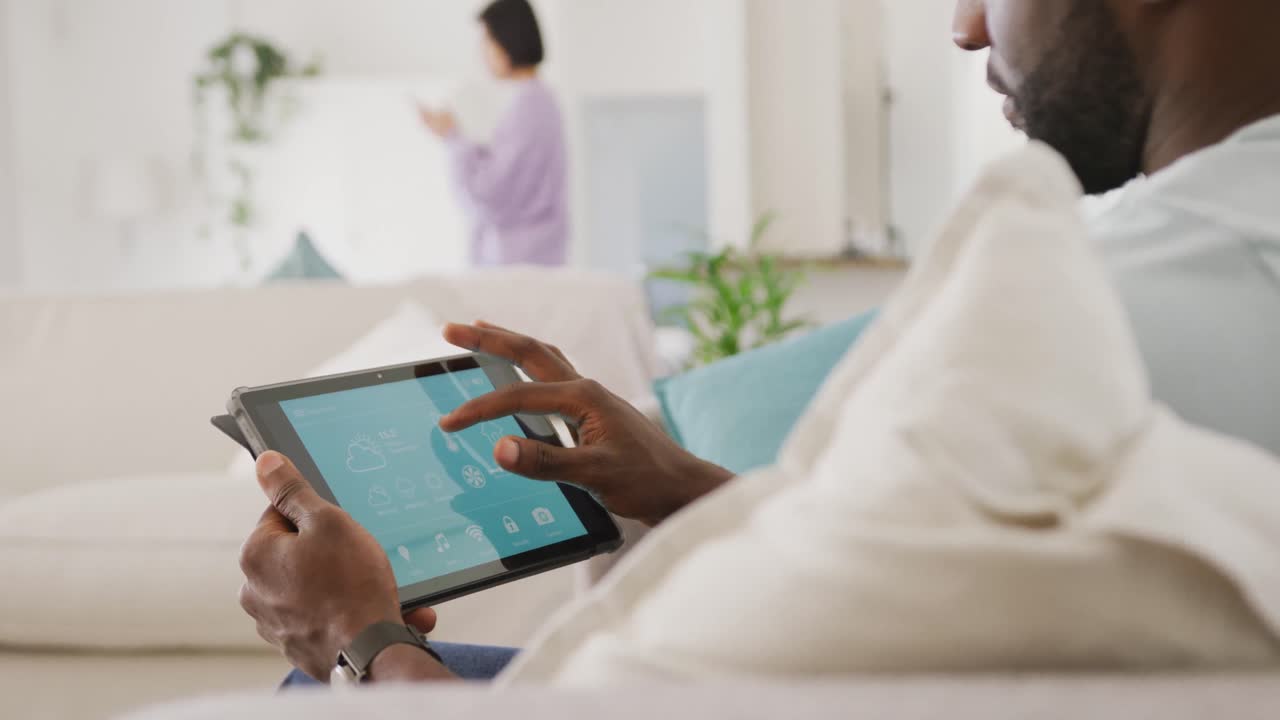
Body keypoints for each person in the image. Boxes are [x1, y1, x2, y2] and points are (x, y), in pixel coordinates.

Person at [244, 0, 1280, 686]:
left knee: (310, 684)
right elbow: (943, 580)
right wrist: (691, 488)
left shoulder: (1065, 312)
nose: (966, 28)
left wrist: (362, 638)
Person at [418, 0, 569, 268]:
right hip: (531, 261)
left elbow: (489, 194)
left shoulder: (530, 108)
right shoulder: (541, 102)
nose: (482, 52)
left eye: (487, 40)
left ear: (507, 41)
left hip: (518, 266)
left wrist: (453, 139)